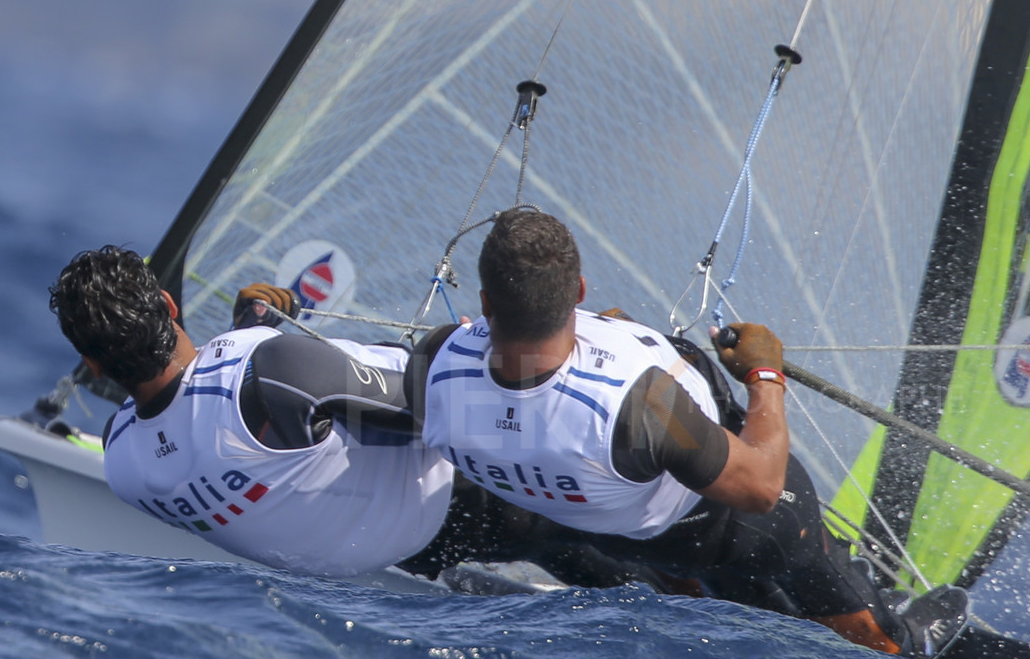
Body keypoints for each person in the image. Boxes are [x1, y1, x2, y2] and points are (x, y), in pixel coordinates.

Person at [415, 208, 958, 659]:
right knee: (784, 509)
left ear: (486, 302)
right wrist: (765, 376)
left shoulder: (439, 356)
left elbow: (526, 393)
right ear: (577, 290)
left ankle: (689, 587)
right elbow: (759, 487)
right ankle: (893, 639)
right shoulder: (647, 404)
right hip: (702, 533)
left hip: (581, 527)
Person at [46, 245, 641, 585]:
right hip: (471, 498)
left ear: (92, 364)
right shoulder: (277, 371)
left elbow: (213, 420)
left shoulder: (122, 457)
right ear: (170, 305)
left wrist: (249, 329)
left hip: (389, 553)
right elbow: (442, 408)